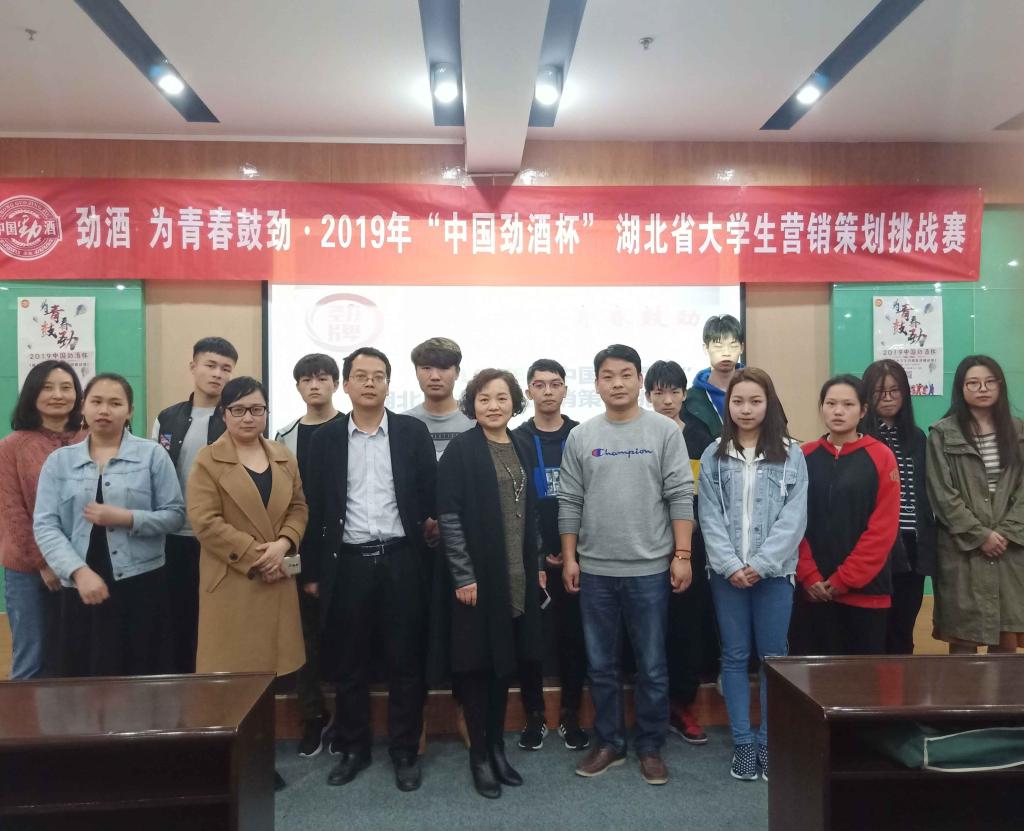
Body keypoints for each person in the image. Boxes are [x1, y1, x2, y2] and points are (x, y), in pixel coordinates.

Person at [301, 348, 437, 792]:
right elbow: (314, 508)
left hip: (402, 560)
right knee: (349, 663)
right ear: (346, 385)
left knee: (406, 661)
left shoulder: (412, 433)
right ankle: (353, 748)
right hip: (348, 564)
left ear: (388, 384)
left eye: (378, 376)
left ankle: (405, 750)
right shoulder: (325, 439)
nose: (369, 383)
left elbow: (429, 495)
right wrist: (313, 573)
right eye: (360, 376)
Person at [560, 344, 695, 786]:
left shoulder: (664, 432)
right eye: (607, 376)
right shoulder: (582, 436)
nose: (617, 383)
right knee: (601, 666)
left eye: (625, 375)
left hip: (649, 570)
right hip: (595, 571)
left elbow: (680, 495)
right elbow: (570, 501)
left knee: (652, 666)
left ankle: (651, 745)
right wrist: (570, 557)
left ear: (639, 380)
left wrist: (682, 555)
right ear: (596, 384)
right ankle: (610, 743)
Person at [187, 376, 308, 793]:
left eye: (256, 409)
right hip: (234, 583)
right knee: (231, 682)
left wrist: (284, 544)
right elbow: (205, 523)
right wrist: (260, 557)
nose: (248, 417)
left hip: (277, 581)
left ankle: (259, 758)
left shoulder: (282, 456)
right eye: (238, 410)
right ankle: (230, 761)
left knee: (267, 678)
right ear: (224, 414)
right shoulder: (208, 460)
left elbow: (299, 507)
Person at [438, 368, 545, 799]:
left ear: (514, 402)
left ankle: (498, 748)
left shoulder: (522, 444)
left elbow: (531, 512)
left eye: (502, 398)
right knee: (479, 668)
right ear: (472, 405)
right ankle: (479, 756)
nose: (493, 406)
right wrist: (463, 574)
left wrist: (537, 563)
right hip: (479, 579)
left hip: (517, 575)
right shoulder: (461, 450)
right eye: (484, 399)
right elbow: (449, 517)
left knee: (505, 666)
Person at [34, 373, 185, 677]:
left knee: (141, 673)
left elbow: (175, 515)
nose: (104, 410)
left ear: (129, 411)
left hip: (141, 583)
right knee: (83, 676)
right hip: (81, 585)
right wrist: (78, 572)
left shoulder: (152, 455)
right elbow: (45, 525)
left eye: (115, 403)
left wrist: (127, 518)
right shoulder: (59, 462)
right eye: (97, 402)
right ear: (83, 407)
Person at [698, 368, 807, 782]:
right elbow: (708, 515)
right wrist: (730, 565)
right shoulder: (714, 454)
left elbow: (794, 519)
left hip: (775, 575)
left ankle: (767, 740)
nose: (746, 409)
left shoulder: (791, 453)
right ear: (728, 405)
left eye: (755, 401)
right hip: (726, 576)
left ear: (769, 404)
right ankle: (743, 742)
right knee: (733, 655)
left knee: (773, 659)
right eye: (738, 401)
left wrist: (760, 565)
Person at [791, 374, 900, 656]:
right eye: (831, 404)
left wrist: (843, 580)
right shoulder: (803, 456)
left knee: (861, 677)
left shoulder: (881, 456)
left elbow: (883, 528)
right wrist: (809, 575)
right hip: (812, 591)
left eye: (848, 404)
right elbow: (792, 522)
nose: (838, 411)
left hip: (866, 594)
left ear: (863, 411)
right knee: (813, 675)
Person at [513, 359, 588, 752]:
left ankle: (572, 714)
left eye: (554, 384)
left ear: (565, 391)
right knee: (531, 640)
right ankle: (534, 715)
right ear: (528, 391)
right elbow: (516, 504)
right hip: (531, 558)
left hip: (580, 556)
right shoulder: (516, 439)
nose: (547, 391)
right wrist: (540, 554)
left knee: (574, 638)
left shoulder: (582, 435)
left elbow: (592, 497)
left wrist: (572, 551)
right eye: (539, 384)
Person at [927, 355, 1024, 654]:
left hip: (1010, 546)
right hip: (962, 547)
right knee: (963, 639)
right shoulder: (942, 433)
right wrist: (980, 535)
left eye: (989, 382)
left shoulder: (1019, 431)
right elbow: (941, 493)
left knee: (1006, 637)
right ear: (961, 388)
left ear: (1000, 386)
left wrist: (1005, 532)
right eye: (973, 383)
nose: (982, 388)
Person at [152, 336, 237, 674]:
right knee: (177, 616)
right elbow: (155, 472)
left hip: (218, 538)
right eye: (210, 365)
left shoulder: (236, 417)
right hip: (174, 536)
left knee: (215, 618)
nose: (218, 374)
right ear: (193, 366)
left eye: (226, 369)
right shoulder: (167, 418)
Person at [274, 353, 344, 757]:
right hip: (299, 549)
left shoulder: (353, 427)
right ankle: (313, 716)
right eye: (306, 379)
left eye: (322, 378)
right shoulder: (283, 436)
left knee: (348, 636)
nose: (314, 385)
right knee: (304, 638)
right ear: (298, 386)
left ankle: (349, 718)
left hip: (347, 550)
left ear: (336, 383)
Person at [0, 361, 86, 678]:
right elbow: (12, 512)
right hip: (29, 569)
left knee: (75, 656)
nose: (58, 395)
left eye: (66, 387)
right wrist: (45, 562)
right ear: (32, 394)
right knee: (32, 659)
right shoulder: (11, 446)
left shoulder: (90, 439)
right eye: (48, 387)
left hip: (84, 565)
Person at [645, 359, 712, 745]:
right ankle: (651, 707)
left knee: (686, 627)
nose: (667, 400)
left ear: (685, 394)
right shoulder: (637, 432)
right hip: (646, 547)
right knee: (648, 628)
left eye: (674, 391)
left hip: (691, 547)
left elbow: (704, 494)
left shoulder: (700, 435)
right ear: (648, 395)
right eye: (659, 392)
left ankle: (681, 705)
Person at [860, 359, 937, 654]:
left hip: (912, 546)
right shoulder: (860, 437)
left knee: (903, 630)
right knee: (873, 631)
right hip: (874, 545)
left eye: (895, 391)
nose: (888, 398)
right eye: (880, 392)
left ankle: (902, 683)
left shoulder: (917, 437)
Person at [405, 337, 475, 460]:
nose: (435, 377)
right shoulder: (403, 423)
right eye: (426, 368)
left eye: (443, 368)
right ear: (416, 372)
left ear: (457, 372)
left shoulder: (476, 420)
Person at [683, 314, 744, 441]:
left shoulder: (758, 390)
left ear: (742, 348)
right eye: (718, 347)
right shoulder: (692, 399)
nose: (726, 353)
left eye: (733, 346)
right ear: (705, 348)